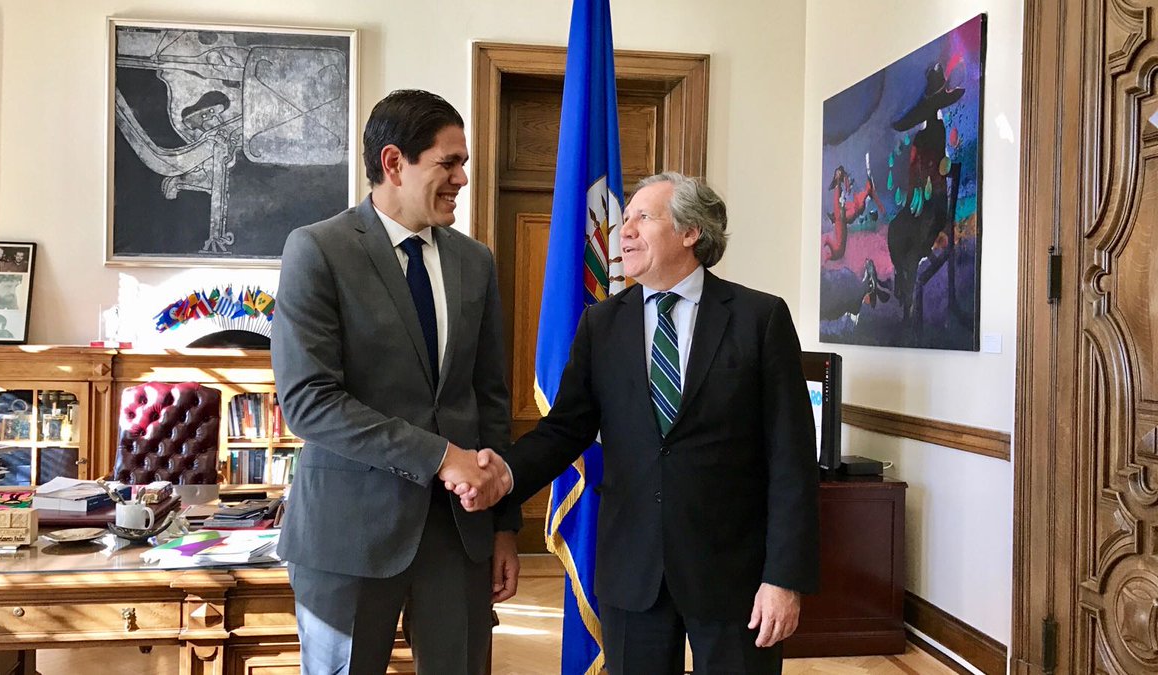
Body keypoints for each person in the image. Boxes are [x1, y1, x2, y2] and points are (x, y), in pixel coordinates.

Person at [456, 172, 820, 674]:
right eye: (622, 219)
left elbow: (792, 460)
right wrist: (504, 477)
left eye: (641, 218)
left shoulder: (760, 319)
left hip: (734, 571)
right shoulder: (602, 325)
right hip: (634, 567)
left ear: (691, 232)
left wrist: (784, 578)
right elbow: (564, 431)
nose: (622, 231)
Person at [271, 89, 518, 675]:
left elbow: (491, 401)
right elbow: (309, 402)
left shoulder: (474, 262)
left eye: (463, 164)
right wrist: (439, 457)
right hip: (348, 534)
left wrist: (505, 526)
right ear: (392, 163)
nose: (462, 178)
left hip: (459, 536)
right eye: (448, 163)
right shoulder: (318, 250)